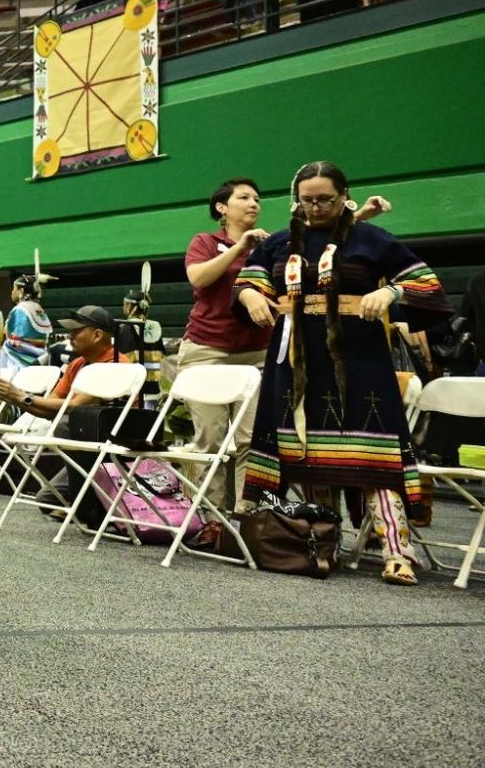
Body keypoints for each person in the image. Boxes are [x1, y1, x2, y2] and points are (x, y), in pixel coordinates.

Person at [234, 161, 449, 585]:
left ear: (344, 195)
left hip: (360, 360)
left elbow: (429, 286)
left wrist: (391, 291)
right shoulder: (278, 244)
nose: (315, 208)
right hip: (296, 360)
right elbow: (250, 281)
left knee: (376, 456)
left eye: (325, 200)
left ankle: (397, 552)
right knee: (308, 453)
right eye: (307, 200)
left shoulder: (373, 239)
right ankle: (320, 540)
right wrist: (248, 297)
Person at [171, 178, 269, 509]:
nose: (254, 203)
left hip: (255, 356)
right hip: (206, 352)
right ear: (222, 208)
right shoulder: (205, 241)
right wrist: (239, 248)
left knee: (250, 440)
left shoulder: (269, 247)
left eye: (257, 198)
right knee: (210, 441)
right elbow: (199, 278)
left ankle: (247, 518)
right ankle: (210, 520)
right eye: (244, 197)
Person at [0, 305, 118, 419]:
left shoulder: (115, 365)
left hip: (113, 438)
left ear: (97, 335)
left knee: (62, 426)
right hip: (89, 432)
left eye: (76, 331)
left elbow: (76, 406)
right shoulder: (77, 364)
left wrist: (20, 396)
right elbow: (49, 410)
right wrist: (14, 399)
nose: (69, 336)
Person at [0, 275, 50, 378]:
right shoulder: (38, 309)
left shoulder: (20, 309)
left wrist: (14, 341)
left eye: (14, 288)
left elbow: (14, 338)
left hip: (19, 361)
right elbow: (43, 339)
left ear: (21, 291)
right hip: (38, 357)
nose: (12, 292)